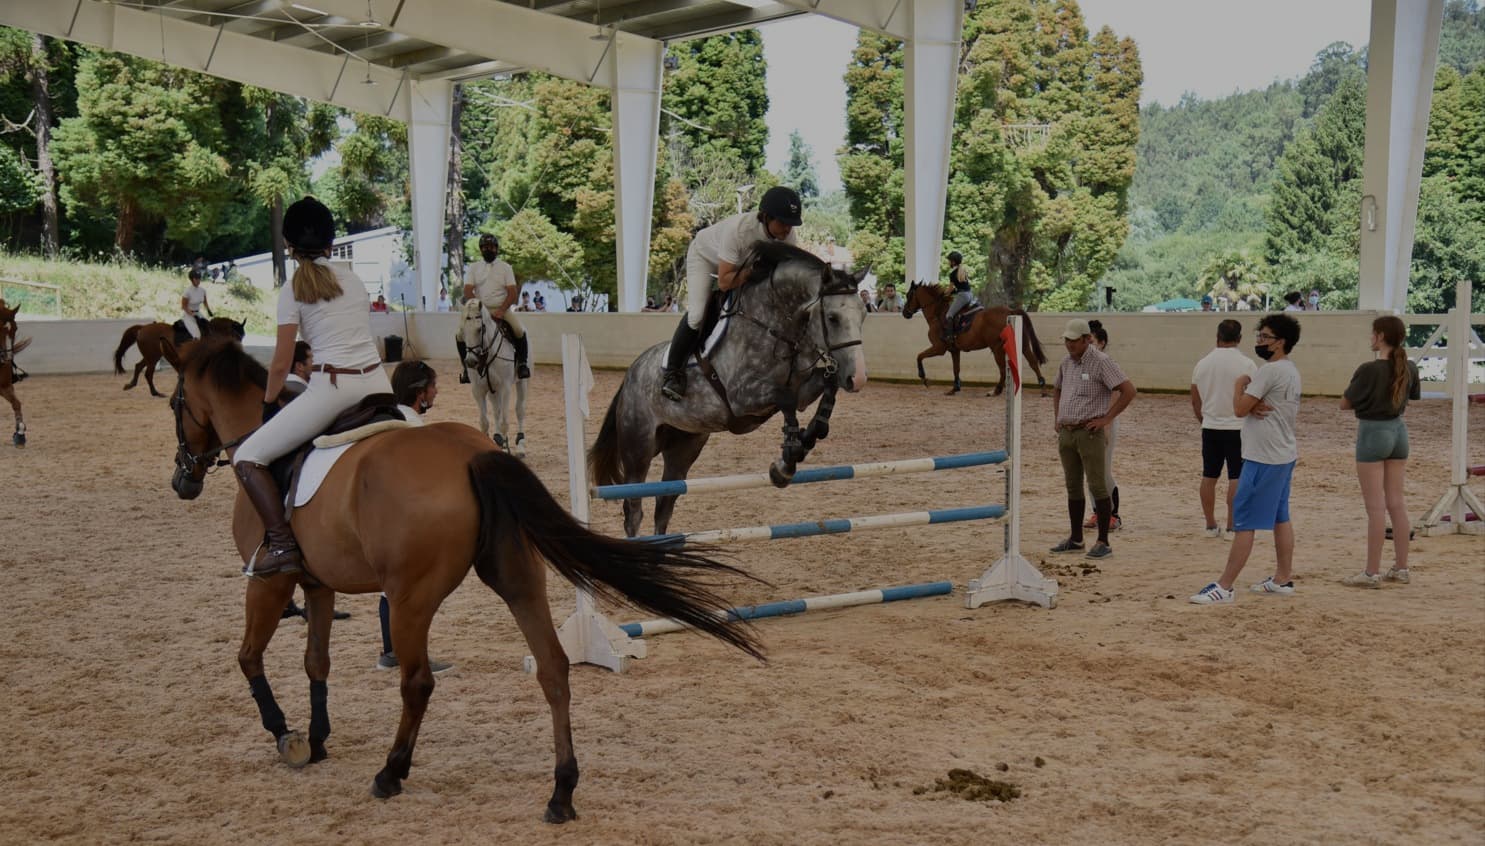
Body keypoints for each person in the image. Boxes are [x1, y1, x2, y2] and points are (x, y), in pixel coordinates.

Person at [230, 196, 394, 578]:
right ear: (331, 245)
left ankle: (283, 544)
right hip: (377, 384)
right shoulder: (353, 279)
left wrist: (270, 403)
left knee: (247, 457)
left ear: (289, 248)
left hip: (332, 391)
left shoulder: (292, 289)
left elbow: (282, 362)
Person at [1190, 313, 1302, 604]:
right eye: (1259, 336)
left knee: (1244, 519)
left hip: (1263, 456)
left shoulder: (1268, 372)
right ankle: (1282, 577)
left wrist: (1240, 384)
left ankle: (1225, 586)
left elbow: (1239, 408)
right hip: (1283, 453)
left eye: (1265, 337)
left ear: (1281, 342)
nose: (1260, 342)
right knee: (1280, 516)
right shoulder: (1290, 370)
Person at [660, 185, 803, 401]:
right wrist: (752, 272)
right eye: (783, 223)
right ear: (766, 217)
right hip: (705, 258)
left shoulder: (788, 236)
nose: (787, 229)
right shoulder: (739, 231)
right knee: (697, 315)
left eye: (791, 224)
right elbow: (725, 281)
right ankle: (673, 374)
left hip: (741, 266)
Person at [376, 360, 453, 674]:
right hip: (405, 519)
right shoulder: (413, 427)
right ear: (421, 393)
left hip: (382, 515)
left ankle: (390, 651)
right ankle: (412, 655)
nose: (436, 392)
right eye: (433, 387)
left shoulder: (386, 418)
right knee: (414, 590)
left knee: (389, 589)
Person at [1339, 316, 1421, 588]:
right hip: (1399, 431)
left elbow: (1345, 403)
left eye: (1373, 334)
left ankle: (1371, 572)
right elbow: (1413, 396)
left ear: (1381, 336)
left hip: (1373, 432)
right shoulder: (1408, 367)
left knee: (1375, 508)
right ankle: (1401, 567)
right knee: (1396, 503)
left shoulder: (1369, 369)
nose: (1370, 338)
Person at [1051, 318, 1136, 560]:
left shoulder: (1102, 362)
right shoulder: (1066, 363)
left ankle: (1103, 541)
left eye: (1074, 341)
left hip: (1089, 431)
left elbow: (1129, 390)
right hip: (1068, 430)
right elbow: (1057, 388)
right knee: (1073, 485)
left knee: (1097, 483)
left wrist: (1106, 419)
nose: (1069, 345)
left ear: (1087, 339)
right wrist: (1057, 417)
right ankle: (1076, 538)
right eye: (1067, 340)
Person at [1190, 319, 1257, 539]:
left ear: (1217, 336)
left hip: (1210, 426)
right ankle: (1231, 525)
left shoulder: (1202, 364)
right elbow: (1254, 397)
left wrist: (1205, 419)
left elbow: (1195, 399)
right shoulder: (1247, 364)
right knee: (1236, 476)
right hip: (1238, 427)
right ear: (1239, 338)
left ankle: (1210, 525)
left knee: (1209, 475)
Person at [459, 233, 530, 382]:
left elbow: (512, 293)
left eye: (491, 247)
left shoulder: (505, 268)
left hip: (501, 309)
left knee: (519, 330)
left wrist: (501, 310)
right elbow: (467, 290)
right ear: (481, 250)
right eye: (484, 247)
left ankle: (522, 364)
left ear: (496, 249)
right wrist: (477, 307)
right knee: (459, 334)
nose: (488, 250)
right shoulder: (474, 267)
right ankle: (465, 369)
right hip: (479, 309)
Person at [1081, 320, 1123, 531]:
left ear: (1102, 343)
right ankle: (1097, 512)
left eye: (1092, 341)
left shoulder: (1107, 363)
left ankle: (1113, 514)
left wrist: (1107, 423)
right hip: (1087, 423)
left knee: (1103, 470)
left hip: (1105, 421)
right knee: (1090, 471)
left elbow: (1117, 393)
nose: (1088, 344)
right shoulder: (1081, 364)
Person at [943, 251, 974, 345]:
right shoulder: (962, 270)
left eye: (949, 261)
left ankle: (950, 337)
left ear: (953, 262)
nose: (948, 263)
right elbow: (961, 286)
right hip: (969, 295)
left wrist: (944, 294)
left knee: (949, 315)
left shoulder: (952, 274)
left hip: (962, 296)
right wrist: (952, 292)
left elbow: (950, 289)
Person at [180, 269, 212, 340]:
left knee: (209, 330)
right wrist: (191, 314)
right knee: (197, 335)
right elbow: (183, 306)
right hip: (188, 315)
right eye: (196, 279)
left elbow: (205, 302)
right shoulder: (187, 291)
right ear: (192, 279)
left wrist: (209, 310)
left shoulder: (202, 290)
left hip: (198, 313)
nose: (198, 280)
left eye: (199, 278)